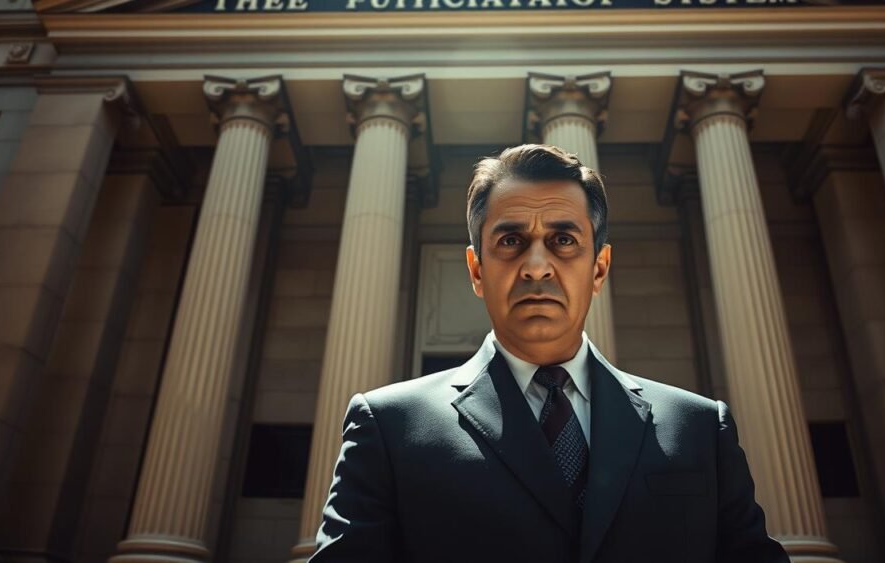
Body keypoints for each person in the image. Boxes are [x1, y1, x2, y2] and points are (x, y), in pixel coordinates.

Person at [309, 144, 790, 562]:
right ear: (477, 270)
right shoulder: (389, 427)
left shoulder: (702, 428)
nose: (536, 267)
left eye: (563, 240)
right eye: (511, 241)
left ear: (599, 268)